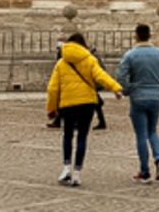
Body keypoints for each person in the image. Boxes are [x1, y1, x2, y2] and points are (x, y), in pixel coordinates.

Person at [46, 33, 123, 187]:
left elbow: (53, 88)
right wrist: (116, 88)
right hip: (87, 103)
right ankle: (77, 174)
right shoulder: (89, 60)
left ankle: (66, 168)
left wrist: (51, 108)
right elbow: (101, 76)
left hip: (67, 104)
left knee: (67, 136)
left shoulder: (61, 63)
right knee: (82, 137)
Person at [116, 22, 159, 183]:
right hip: (155, 97)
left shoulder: (130, 55)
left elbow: (121, 76)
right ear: (150, 35)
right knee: (152, 131)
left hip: (138, 97)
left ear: (136, 36)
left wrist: (128, 90)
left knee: (141, 134)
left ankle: (144, 171)